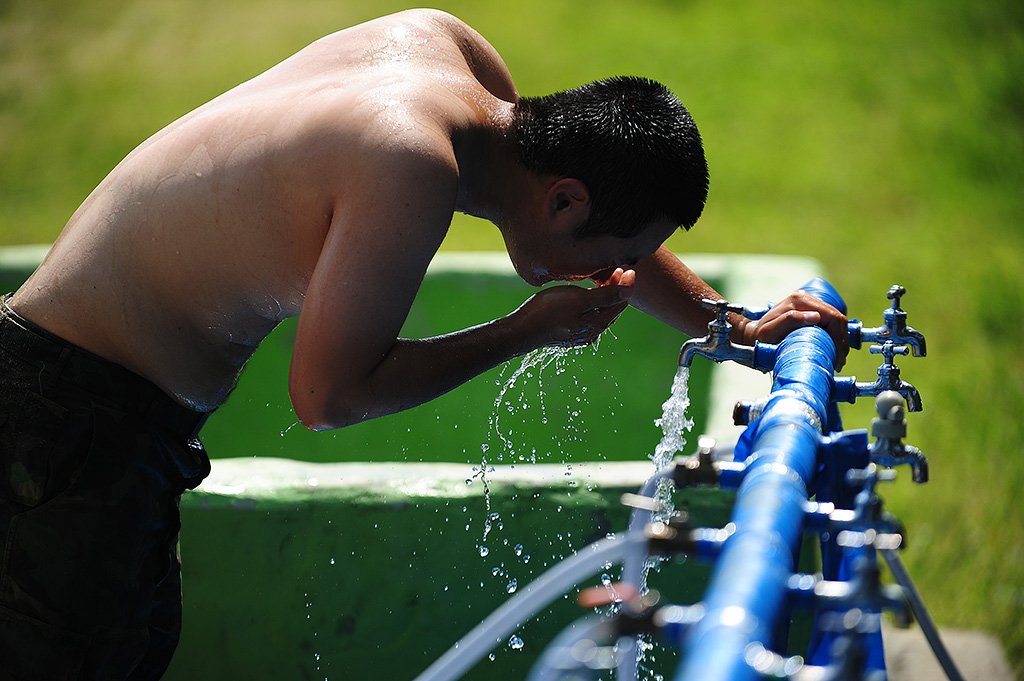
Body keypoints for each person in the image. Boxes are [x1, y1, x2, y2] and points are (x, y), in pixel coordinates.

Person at [0, 9, 848, 679]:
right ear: (563, 202)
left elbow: (606, 189)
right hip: (71, 421)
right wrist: (525, 330)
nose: (611, 277)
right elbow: (326, 396)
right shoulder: (408, 163)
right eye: (614, 258)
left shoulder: (448, 52)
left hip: (64, 390)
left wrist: (734, 325)